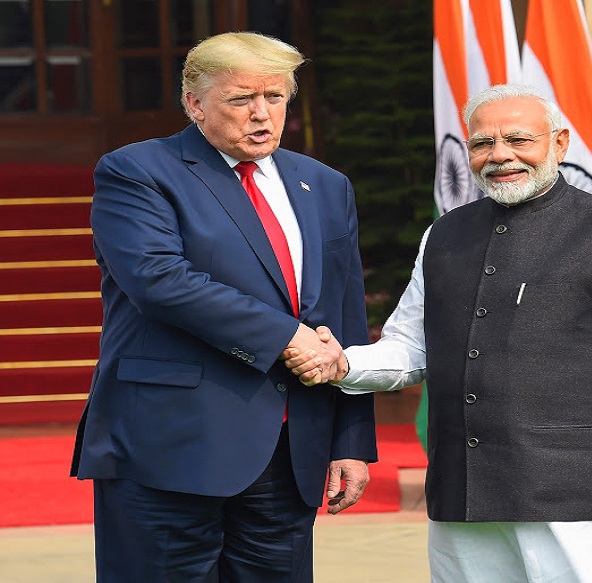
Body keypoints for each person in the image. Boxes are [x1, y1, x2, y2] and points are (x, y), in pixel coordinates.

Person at [285, 84, 592, 582]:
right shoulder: (443, 234)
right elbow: (411, 348)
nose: (499, 155)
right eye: (482, 143)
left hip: (579, 502)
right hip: (462, 497)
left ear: (560, 144)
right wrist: (343, 364)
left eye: (519, 140)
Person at [70, 31, 376, 582]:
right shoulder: (137, 171)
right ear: (194, 104)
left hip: (290, 450)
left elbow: (345, 315)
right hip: (170, 445)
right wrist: (286, 337)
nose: (262, 114)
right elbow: (158, 279)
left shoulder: (326, 186)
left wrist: (351, 441)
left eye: (275, 97)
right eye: (240, 99)